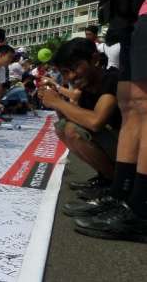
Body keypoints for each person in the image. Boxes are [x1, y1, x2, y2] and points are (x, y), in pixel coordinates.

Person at [25, 0, 147, 241]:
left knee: (143, 108)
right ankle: (123, 197)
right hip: (130, 3)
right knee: (134, 105)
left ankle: (141, 207)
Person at [38, 39, 121, 217]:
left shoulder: (111, 78)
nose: (71, 77)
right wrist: (55, 103)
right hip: (119, 146)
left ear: (95, 59)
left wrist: (58, 101)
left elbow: (95, 121)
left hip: (134, 151)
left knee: (73, 131)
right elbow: (70, 118)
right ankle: (107, 178)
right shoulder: (85, 87)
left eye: (75, 68)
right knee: (62, 127)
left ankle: (118, 185)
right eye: (65, 72)